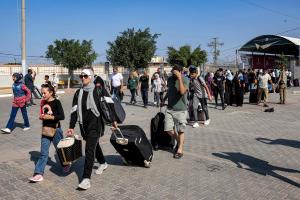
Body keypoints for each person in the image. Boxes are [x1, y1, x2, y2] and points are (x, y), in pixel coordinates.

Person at [66, 68, 116, 190]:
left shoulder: (99, 89)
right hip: (84, 125)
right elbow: (74, 111)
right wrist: (71, 127)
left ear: (91, 76)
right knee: (94, 145)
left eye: (85, 76)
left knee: (89, 149)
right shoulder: (78, 93)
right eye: (81, 76)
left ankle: (86, 179)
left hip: (96, 123)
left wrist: (114, 120)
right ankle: (103, 163)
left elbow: (110, 104)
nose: (83, 78)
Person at [29, 83, 68, 182]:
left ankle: (66, 164)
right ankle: (38, 173)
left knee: (59, 150)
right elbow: (41, 113)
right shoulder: (43, 102)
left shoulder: (57, 102)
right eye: (42, 93)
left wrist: (51, 117)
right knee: (43, 153)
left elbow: (62, 116)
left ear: (51, 92)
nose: (43, 95)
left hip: (56, 130)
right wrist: (41, 116)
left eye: (44, 93)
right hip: (45, 130)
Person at [161, 64, 189, 159]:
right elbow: (169, 91)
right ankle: (179, 140)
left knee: (181, 130)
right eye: (173, 72)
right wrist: (164, 99)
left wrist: (180, 78)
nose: (173, 74)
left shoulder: (185, 80)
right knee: (168, 129)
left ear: (180, 72)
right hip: (170, 108)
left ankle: (180, 149)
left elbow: (182, 92)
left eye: (175, 72)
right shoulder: (170, 79)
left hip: (181, 110)